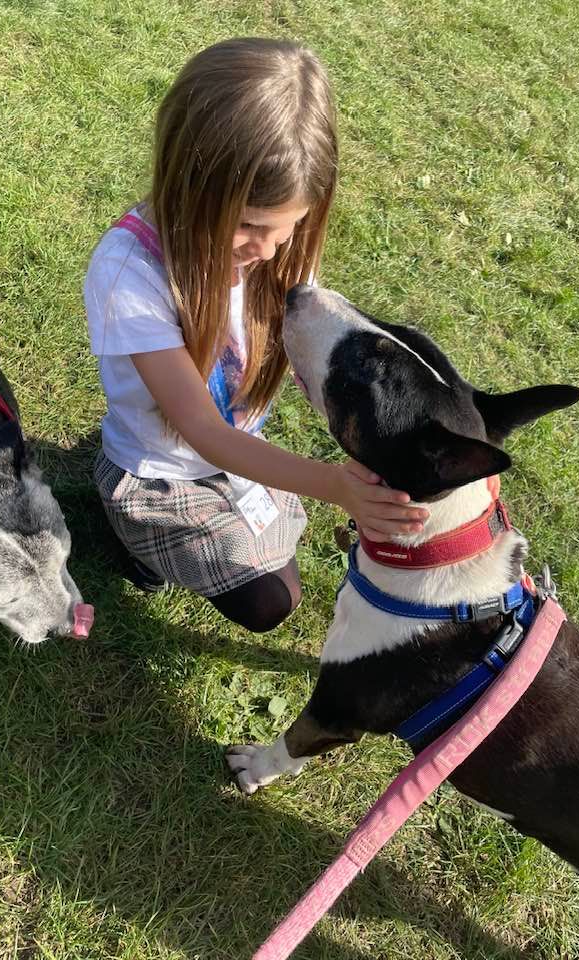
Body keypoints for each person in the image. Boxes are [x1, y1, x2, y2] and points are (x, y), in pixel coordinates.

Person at [84, 37, 427, 634]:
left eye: (287, 228)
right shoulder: (130, 273)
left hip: (237, 454)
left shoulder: (276, 253)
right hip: (161, 472)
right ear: (189, 182)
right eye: (247, 225)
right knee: (271, 602)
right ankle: (130, 534)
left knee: (281, 582)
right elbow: (204, 431)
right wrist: (334, 485)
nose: (267, 251)